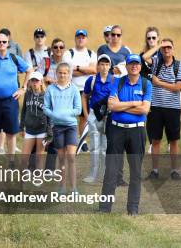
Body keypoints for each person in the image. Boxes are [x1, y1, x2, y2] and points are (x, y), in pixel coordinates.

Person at [99, 55, 152, 215]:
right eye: (131, 64)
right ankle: (104, 208)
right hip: (117, 130)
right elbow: (111, 105)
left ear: (140, 67)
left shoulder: (146, 84)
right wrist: (134, 103)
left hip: (137, 131)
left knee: (136, 171)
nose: (134, 66)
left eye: (137, 64)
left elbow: (144, 110)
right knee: (111, 170)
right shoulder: (119, 82)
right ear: (127, 66)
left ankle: (133, 209)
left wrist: (121, 106)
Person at [142, 38, 181, 180]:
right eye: (164, 47)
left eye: (169, 47)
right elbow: (144, 57)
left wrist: (159, 82)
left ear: (173, 49)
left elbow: (178, 87)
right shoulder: (156, 63)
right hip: (156, 107)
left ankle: (174, 170)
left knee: (173, 140)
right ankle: (154, 170)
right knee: (155, 140)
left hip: (173, 109)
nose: (166, 50)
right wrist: (158, 45)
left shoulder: (178, 65)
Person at [44, 62, 82, 194]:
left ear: (69, 74)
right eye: (60, 72)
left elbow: (78, 109)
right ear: (56, 73)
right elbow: (46, 108)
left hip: (71, 126)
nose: (62, 75)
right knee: (61, 158)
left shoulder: (74, 89)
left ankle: (74, 188)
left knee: (71, 157)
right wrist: (54, 114)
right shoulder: (50, 89)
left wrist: (65, 113)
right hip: (57, 127)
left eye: (65, 73)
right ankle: (62, 186)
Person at [82, 54, 113, 183]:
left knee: (105, 147)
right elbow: (85, 96)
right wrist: (86, 114)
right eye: (102, 64)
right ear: (98, 66)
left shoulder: (114, 80)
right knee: (94, 146)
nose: (104, 67)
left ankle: (105, 175)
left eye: (106, 64)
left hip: (107, 116)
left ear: (110, 66)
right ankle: (93, 175)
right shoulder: (92, 80)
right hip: (94, 115)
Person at [63, 29, 96, 133]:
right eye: (78, 37)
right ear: (75, 39)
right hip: (71, 89)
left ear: (86, 39)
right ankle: (70, 137)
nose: (81, 39)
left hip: (86, 90)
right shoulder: (69, 53)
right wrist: (86, 70)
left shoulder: (91, 53)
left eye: (83, 37)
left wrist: (76, 68)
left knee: (84, 117)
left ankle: (83, 140)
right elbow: (67, 71)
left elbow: (94, 70)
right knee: (70, 116)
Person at [20, 71, 50, 166]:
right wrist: (21, 127)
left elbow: (50, 116)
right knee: (24, 157)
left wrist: (49, 132)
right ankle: (22, 180)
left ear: (41, 82)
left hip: (42, 130)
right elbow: (24, 111)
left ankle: (38, 179)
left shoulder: (46, 96)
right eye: (32, 80)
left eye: (36, 80)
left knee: (39, 157)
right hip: (29, 130)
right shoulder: (27, 94)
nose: (34, 83)